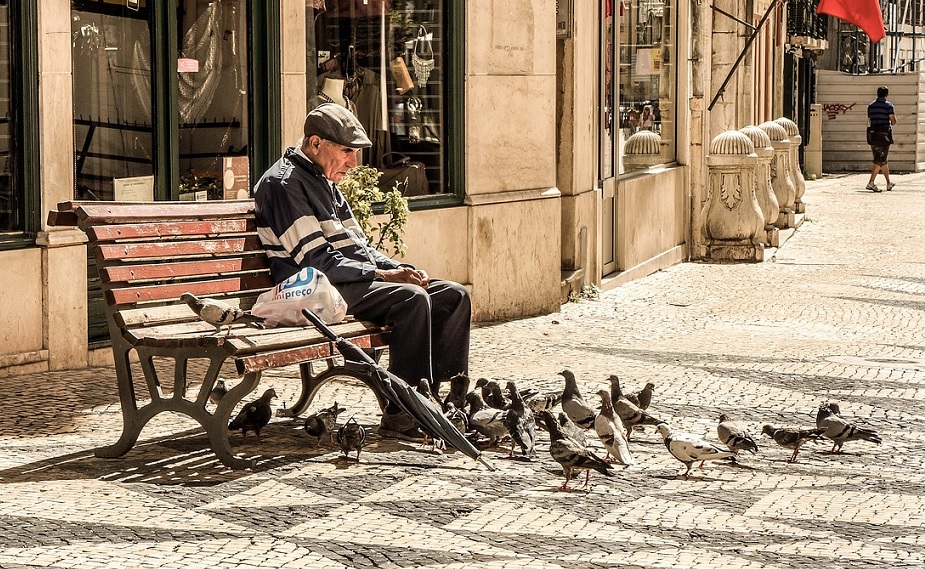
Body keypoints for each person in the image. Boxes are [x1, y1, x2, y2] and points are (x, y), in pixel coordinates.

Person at [252, 103, 471, 438]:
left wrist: (400, 268)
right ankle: (404, 412)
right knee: (410, 299)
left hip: (340, 282)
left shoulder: (324, 179)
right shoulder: (285, 184)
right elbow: (315, 261)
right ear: (315, 144)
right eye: (346, 152)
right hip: (310, 291)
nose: (353, 163)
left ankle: (442, 402)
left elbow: (359, 247)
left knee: (453, 295)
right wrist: (387, 277)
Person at [866, 85, 897, 193]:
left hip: (873, 134)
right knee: (879, 159)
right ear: (886, 95)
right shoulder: (889, 106)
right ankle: (871, 182)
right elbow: (893, 121)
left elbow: (869, 120)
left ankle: (888, 183)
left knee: (882, 159)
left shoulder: (871, 106)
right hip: (884, 135)